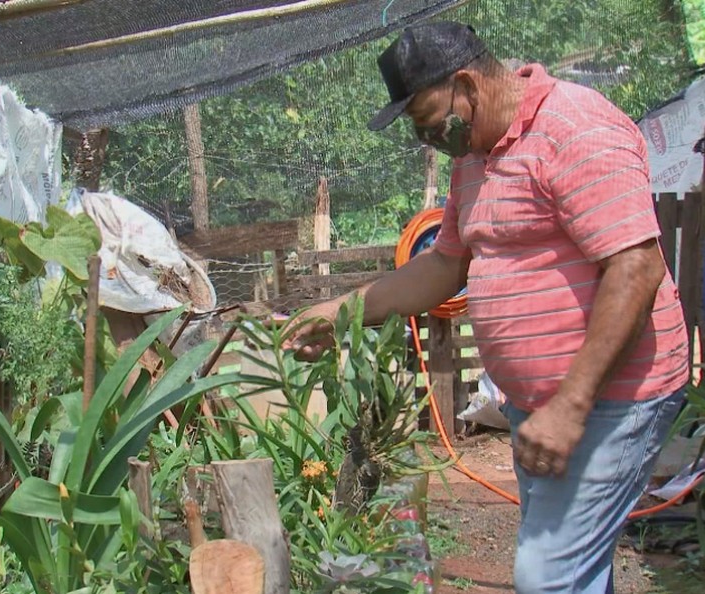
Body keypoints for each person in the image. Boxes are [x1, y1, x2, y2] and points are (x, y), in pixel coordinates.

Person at [284, 21, 689, 594]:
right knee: (575, 566)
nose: (429, 141)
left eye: (429, 123)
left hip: (611, 398)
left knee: (548, 575)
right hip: (540, 402)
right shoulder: (473, 155)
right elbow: (444, 266)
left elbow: (637, 267)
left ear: (468, 84)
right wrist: (340, 313)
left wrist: (570, 407)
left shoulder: (576, 127)